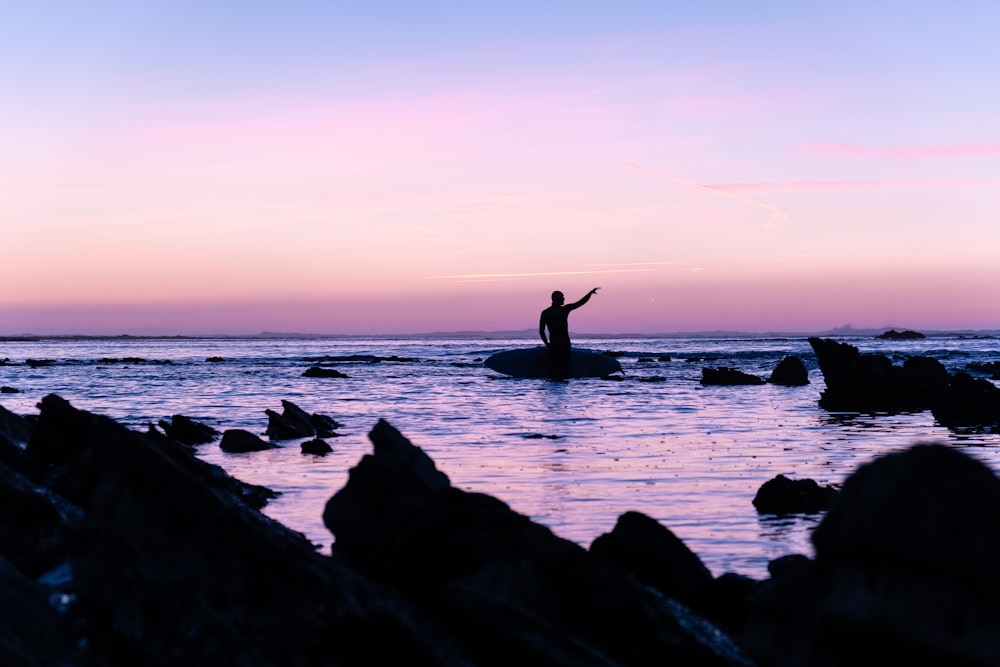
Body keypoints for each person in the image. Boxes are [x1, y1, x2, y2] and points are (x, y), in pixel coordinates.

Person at [539, 287, 599, 379]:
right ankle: (564, 382)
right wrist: (590, 293)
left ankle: (554, 382)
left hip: (554, 344)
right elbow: (580, 303)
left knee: (554, 367)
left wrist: (547, 344)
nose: (564, 299)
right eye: (562, 297)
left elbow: (541, 331)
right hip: (564, 343)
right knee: (565, 367)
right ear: (556, 299)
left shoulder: (546, 312)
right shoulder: (564, 310)